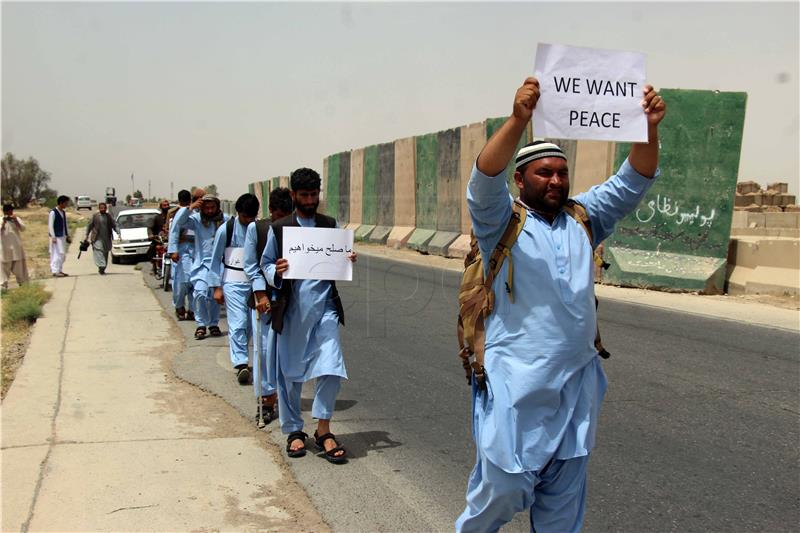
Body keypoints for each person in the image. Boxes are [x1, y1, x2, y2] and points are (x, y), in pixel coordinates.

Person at [455, 77, 666, 533]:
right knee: (504, 485)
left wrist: (647, 127)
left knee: (563, 503)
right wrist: (517, 121)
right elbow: (483, 178)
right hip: (516, 384)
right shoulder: (500, 223)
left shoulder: (585, 217)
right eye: (543, 172)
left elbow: (636, 178)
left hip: (576, 388)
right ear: (520, 179)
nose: (555, 180)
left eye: (561, 172)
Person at [261, 168, 357, 464]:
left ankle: (324, 429)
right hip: (292, 312)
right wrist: (273, 271)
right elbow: (263, 265)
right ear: (294, 196)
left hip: (325, 309)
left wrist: (348, 258)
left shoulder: (329, 226)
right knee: (290, 375)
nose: (310, 200)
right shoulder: (280, 229)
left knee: (331, 367)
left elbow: (337, 259)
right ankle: (293, 431)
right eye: (304, 195)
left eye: (314, 195)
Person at [244, 187, 292, 424]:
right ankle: (266, 400)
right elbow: (251, 266)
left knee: (286, 353)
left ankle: (284, 399)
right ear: (270, 211)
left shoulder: (298, 229)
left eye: (286, 214)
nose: (281, 220)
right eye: (278, 214)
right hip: (265, 300)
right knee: (263, 351)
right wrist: (260, 294)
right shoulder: (258, 228)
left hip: (289, 299)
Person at [208, 193, 260, 385]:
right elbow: (215, 260)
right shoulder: (226, 230)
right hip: (233, 282)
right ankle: (240, 363)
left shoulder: (259, 228)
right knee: (237, 323)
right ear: (239, 213)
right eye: (246, 217)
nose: (249, 221)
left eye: (252, 217)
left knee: (250, 325)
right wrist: (216, 287)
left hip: (255, 283)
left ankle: (244, 355)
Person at [169, 192, 228, 340]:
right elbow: (178, 223)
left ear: (217, 207)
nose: (209, 211)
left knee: (215, 296)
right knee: (200, 294)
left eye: (212, 207)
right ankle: (201, 324)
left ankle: (213, 324)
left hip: (219, 265)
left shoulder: (225, 220)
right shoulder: (196, 220)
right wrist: (189, 208)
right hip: (201, 265)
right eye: (206, 208)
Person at [167, 190, 196, 321]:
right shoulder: (178, 214)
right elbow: (173, 232)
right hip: (182, 253)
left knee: (195, 283)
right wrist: (173, 250)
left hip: (196, 252)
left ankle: (192, 310)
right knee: (182, 282)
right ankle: (179, 305)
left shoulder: (197, 214)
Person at [83, 202, 117, 275]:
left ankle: (102, 269)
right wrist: (86, 235)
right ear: (99, 208)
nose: (103, 209)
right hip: (97, 238)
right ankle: (102, 265)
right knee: (99, 251)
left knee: (105, 253)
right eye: (101, 208)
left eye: (104, 208)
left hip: (107, 238)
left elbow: (114, 225)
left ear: (106, 208)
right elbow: (89, 226)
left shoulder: (108, 216)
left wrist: (118, 232)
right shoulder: (95, 216)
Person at [1, 204, 30, 289]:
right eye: (9, 211)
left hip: (16, 248)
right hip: (5, 249)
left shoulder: (16, 219)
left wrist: (16, 221)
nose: (11, 213)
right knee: (3, 269)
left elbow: (23, 229)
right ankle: (3, 286)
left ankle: (23, 284)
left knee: (20, 268)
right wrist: (3, 223)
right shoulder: (0, 220)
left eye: (12, 211)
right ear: (5, 212)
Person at [48, 195, 72, 277]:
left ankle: (59, 270)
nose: (66, 205)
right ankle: (55, 270)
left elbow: (65, 225)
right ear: (61, 203)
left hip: (62, 236)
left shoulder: (63, 212)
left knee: (62, 254)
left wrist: (68, 235)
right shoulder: (53, 212)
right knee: (56, 253)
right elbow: (50, 225)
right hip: (56, 237)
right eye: (65, 203)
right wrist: (53, 237)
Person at [148, 199, 171, 276]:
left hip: (171, 240)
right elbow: (150, 228)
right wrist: (151, 234)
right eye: (164, 205)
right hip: (159, 240)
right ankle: (154, 265)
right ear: (161, 207)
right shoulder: (157, 218)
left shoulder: (173, 218)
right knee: (151, 248)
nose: (166, 207)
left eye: (168, 205)